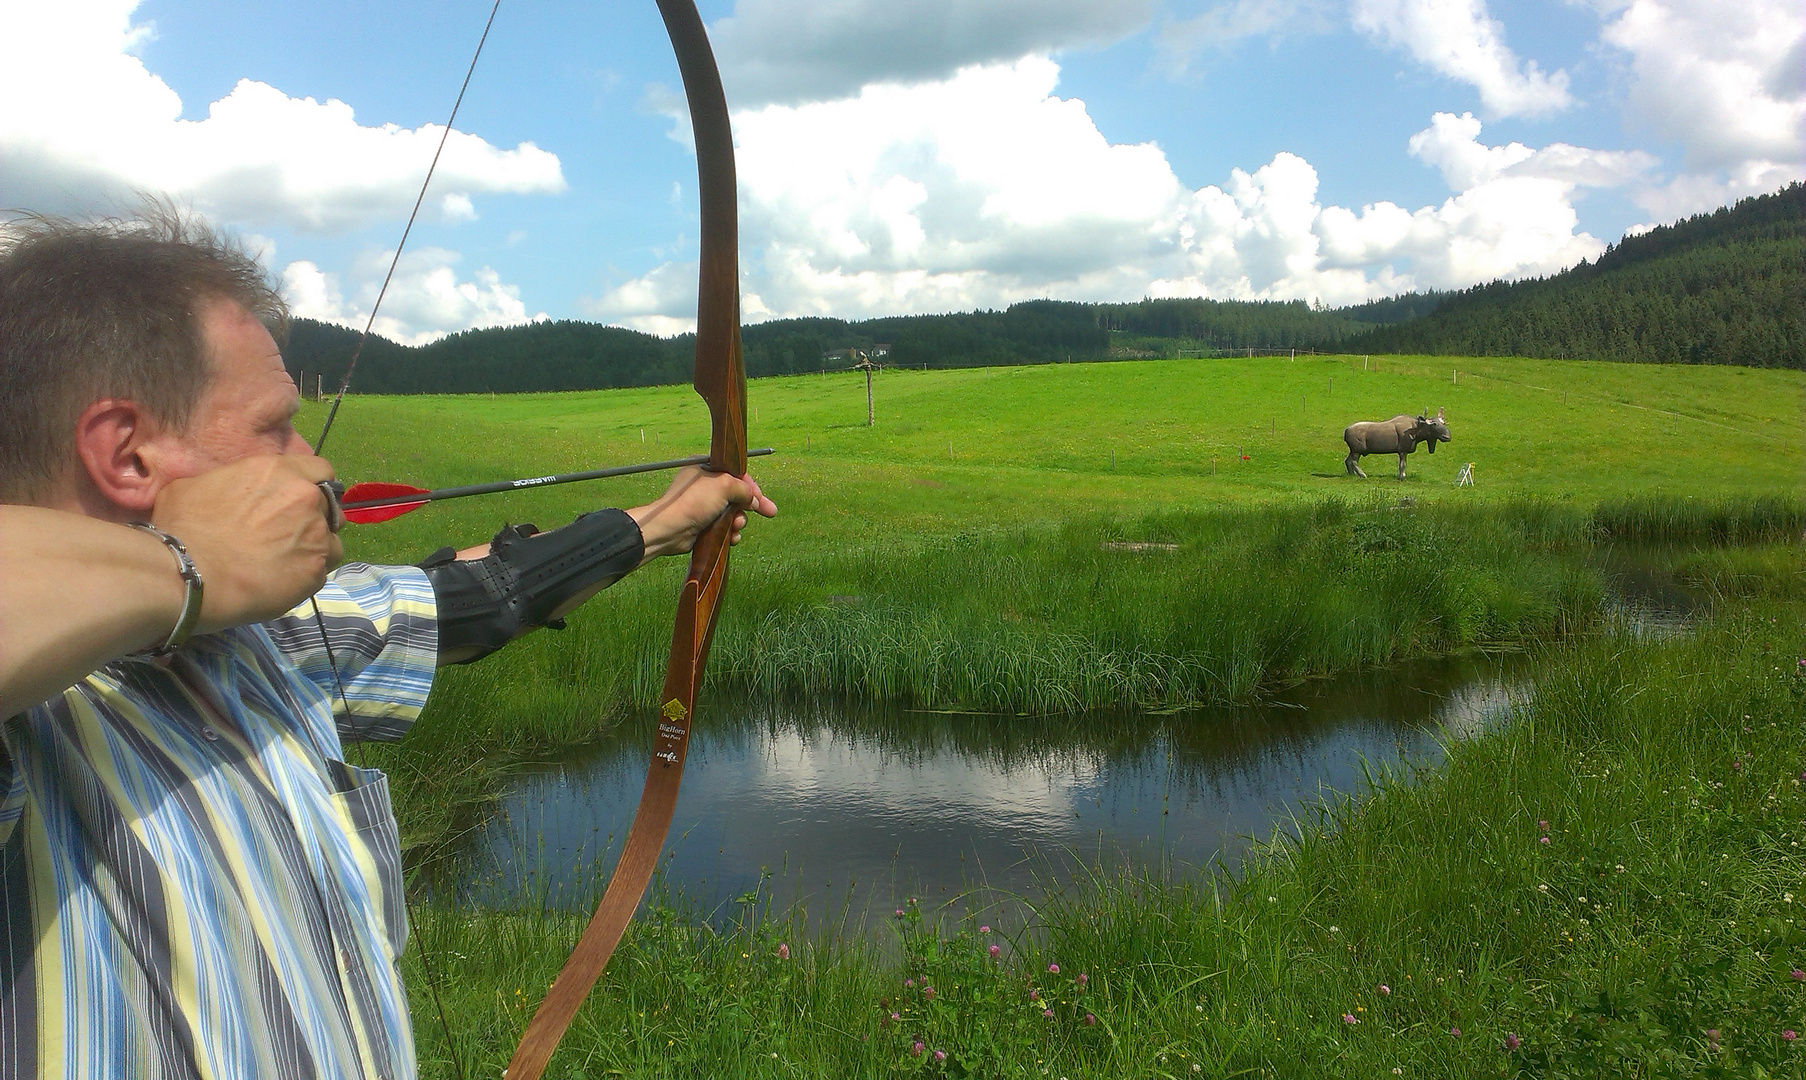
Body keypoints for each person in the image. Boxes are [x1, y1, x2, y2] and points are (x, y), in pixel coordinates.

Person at [0, 210, 776, 1080]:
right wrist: (196, 562)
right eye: (274, 428)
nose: (319, 466)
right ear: (128, 455)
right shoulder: (33, 727)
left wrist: (661, 524)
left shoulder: (260, 642)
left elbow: (471, 597)